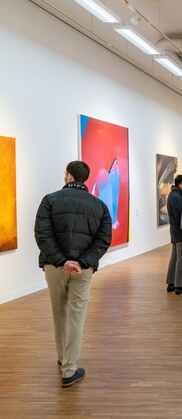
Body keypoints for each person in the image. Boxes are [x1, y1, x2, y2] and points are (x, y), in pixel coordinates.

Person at [34, 160, 112, 388]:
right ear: (85, 178)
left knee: (59, 312)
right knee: (77, 315)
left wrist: (61, 260)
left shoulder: (49, 200)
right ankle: (69, 369)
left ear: (68, 176)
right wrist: (82, 262)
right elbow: (103, 240)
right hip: (82, 269)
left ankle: (63, 358)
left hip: (54, 267)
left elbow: (42, 234)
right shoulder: (99, 206)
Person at [165, 175, 182, 295]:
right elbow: (181, 217)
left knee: (175, 258)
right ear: (181, 184)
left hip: (176, 232)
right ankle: (179, 286)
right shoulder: (176, 197)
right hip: (181, 233)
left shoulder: (174, 195)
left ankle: (171, 283)